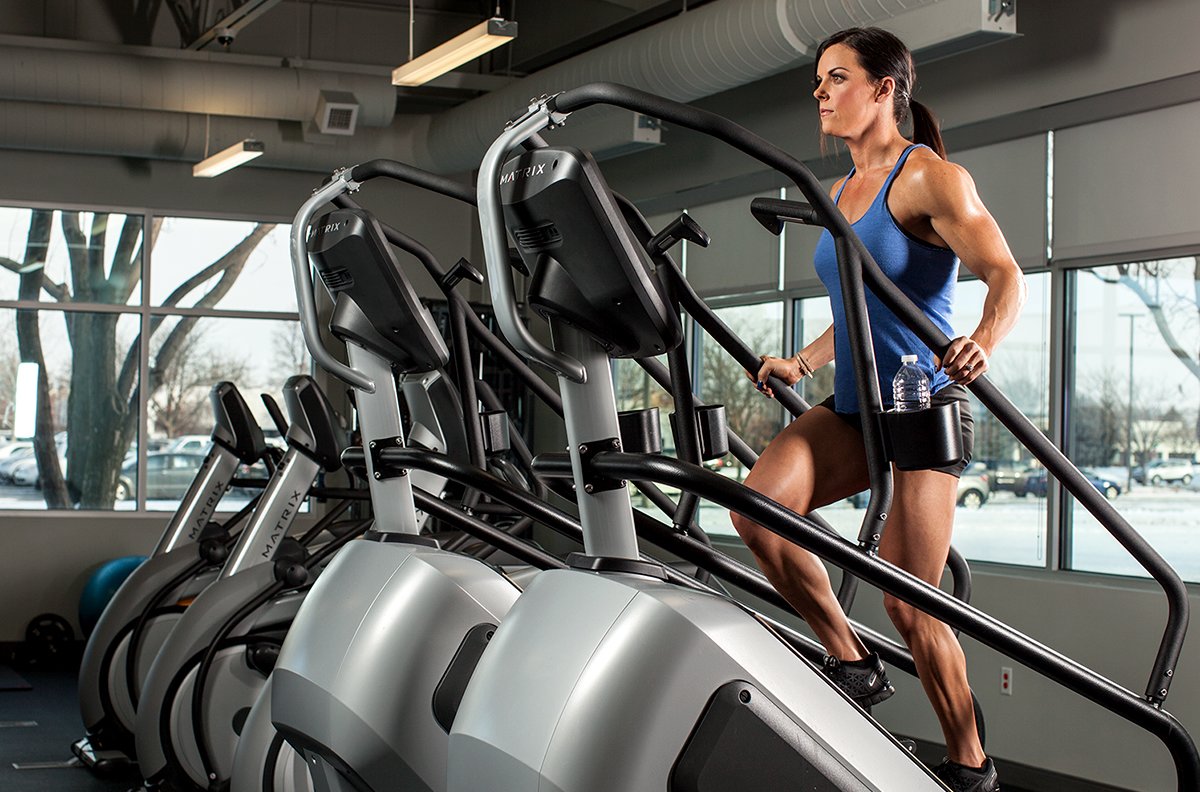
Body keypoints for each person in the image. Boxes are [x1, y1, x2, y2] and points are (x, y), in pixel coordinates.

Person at [732, 27, 1026, 792]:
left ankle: (971, 763)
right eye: (818, 83)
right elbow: (856, 306)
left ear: (885, 88)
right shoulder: (839, 193)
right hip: (857, 407)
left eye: (836, 78)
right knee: (757, 511)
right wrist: (803, 360)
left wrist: (983, 340)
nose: (822, 93)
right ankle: (850, 658)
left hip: (919, 408)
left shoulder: (930, 179)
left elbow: (1005, 274)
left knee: (911, 605)